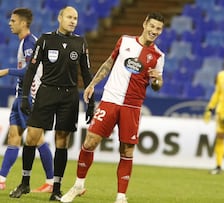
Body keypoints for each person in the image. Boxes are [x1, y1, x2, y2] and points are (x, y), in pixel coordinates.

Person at [60, 12, 165, 203]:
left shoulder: (158, 56)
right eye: (152, 26)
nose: (154, 31)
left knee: (127, 151)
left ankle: (120, 196)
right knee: (90, 141)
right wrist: (92, 84)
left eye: (158, 29)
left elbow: (157, 86)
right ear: (144, 24)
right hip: (110, 99)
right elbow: (109, 63)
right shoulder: (125, 41)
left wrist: (157, 80)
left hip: (132, 106)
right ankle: (78, 185)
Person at [9, 6, 94, 201]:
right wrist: (23, 96)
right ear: (60, 17)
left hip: (69, 96)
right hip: (46, 92)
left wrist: (91, 101)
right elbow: (31, 70)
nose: (73, 21)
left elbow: (87, 73)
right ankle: (25, 182)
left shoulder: (80, 42)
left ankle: (56, 188)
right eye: (69, 17)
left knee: (61, 141)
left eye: (75, 18)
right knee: (31, 137)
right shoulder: (45, 40)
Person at [0, 7, 54, 193]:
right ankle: (1, 179)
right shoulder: (25, 42)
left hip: (30, 97)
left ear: (23, 23)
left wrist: (6, 71)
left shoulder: (30, 43)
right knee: (13, 137)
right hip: (20, 96)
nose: (10, 23)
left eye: (13, 20)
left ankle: (51, 181)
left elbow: (28, 71)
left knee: (36, 139)